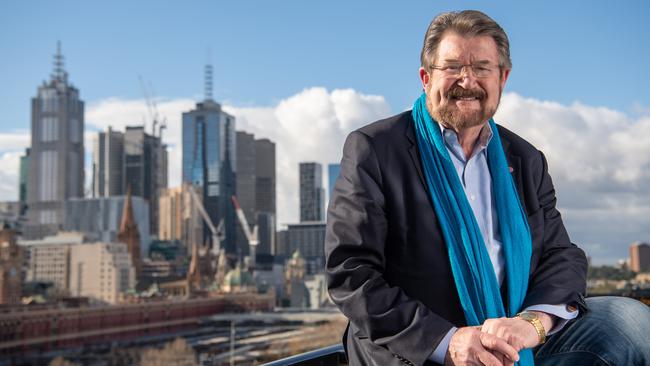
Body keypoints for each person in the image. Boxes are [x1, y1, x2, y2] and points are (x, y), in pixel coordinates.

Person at [325, 10, 650, 366]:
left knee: (631, 321)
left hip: (515, 338)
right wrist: (448, 342)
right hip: (421, 347)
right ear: (425, 78)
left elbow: (562, 255)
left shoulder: (525, 159)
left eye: (482, 67)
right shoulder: (375, 149)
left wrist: (534, 323)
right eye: (452, 67)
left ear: (502, 78)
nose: (467, 80)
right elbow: (351, 273)